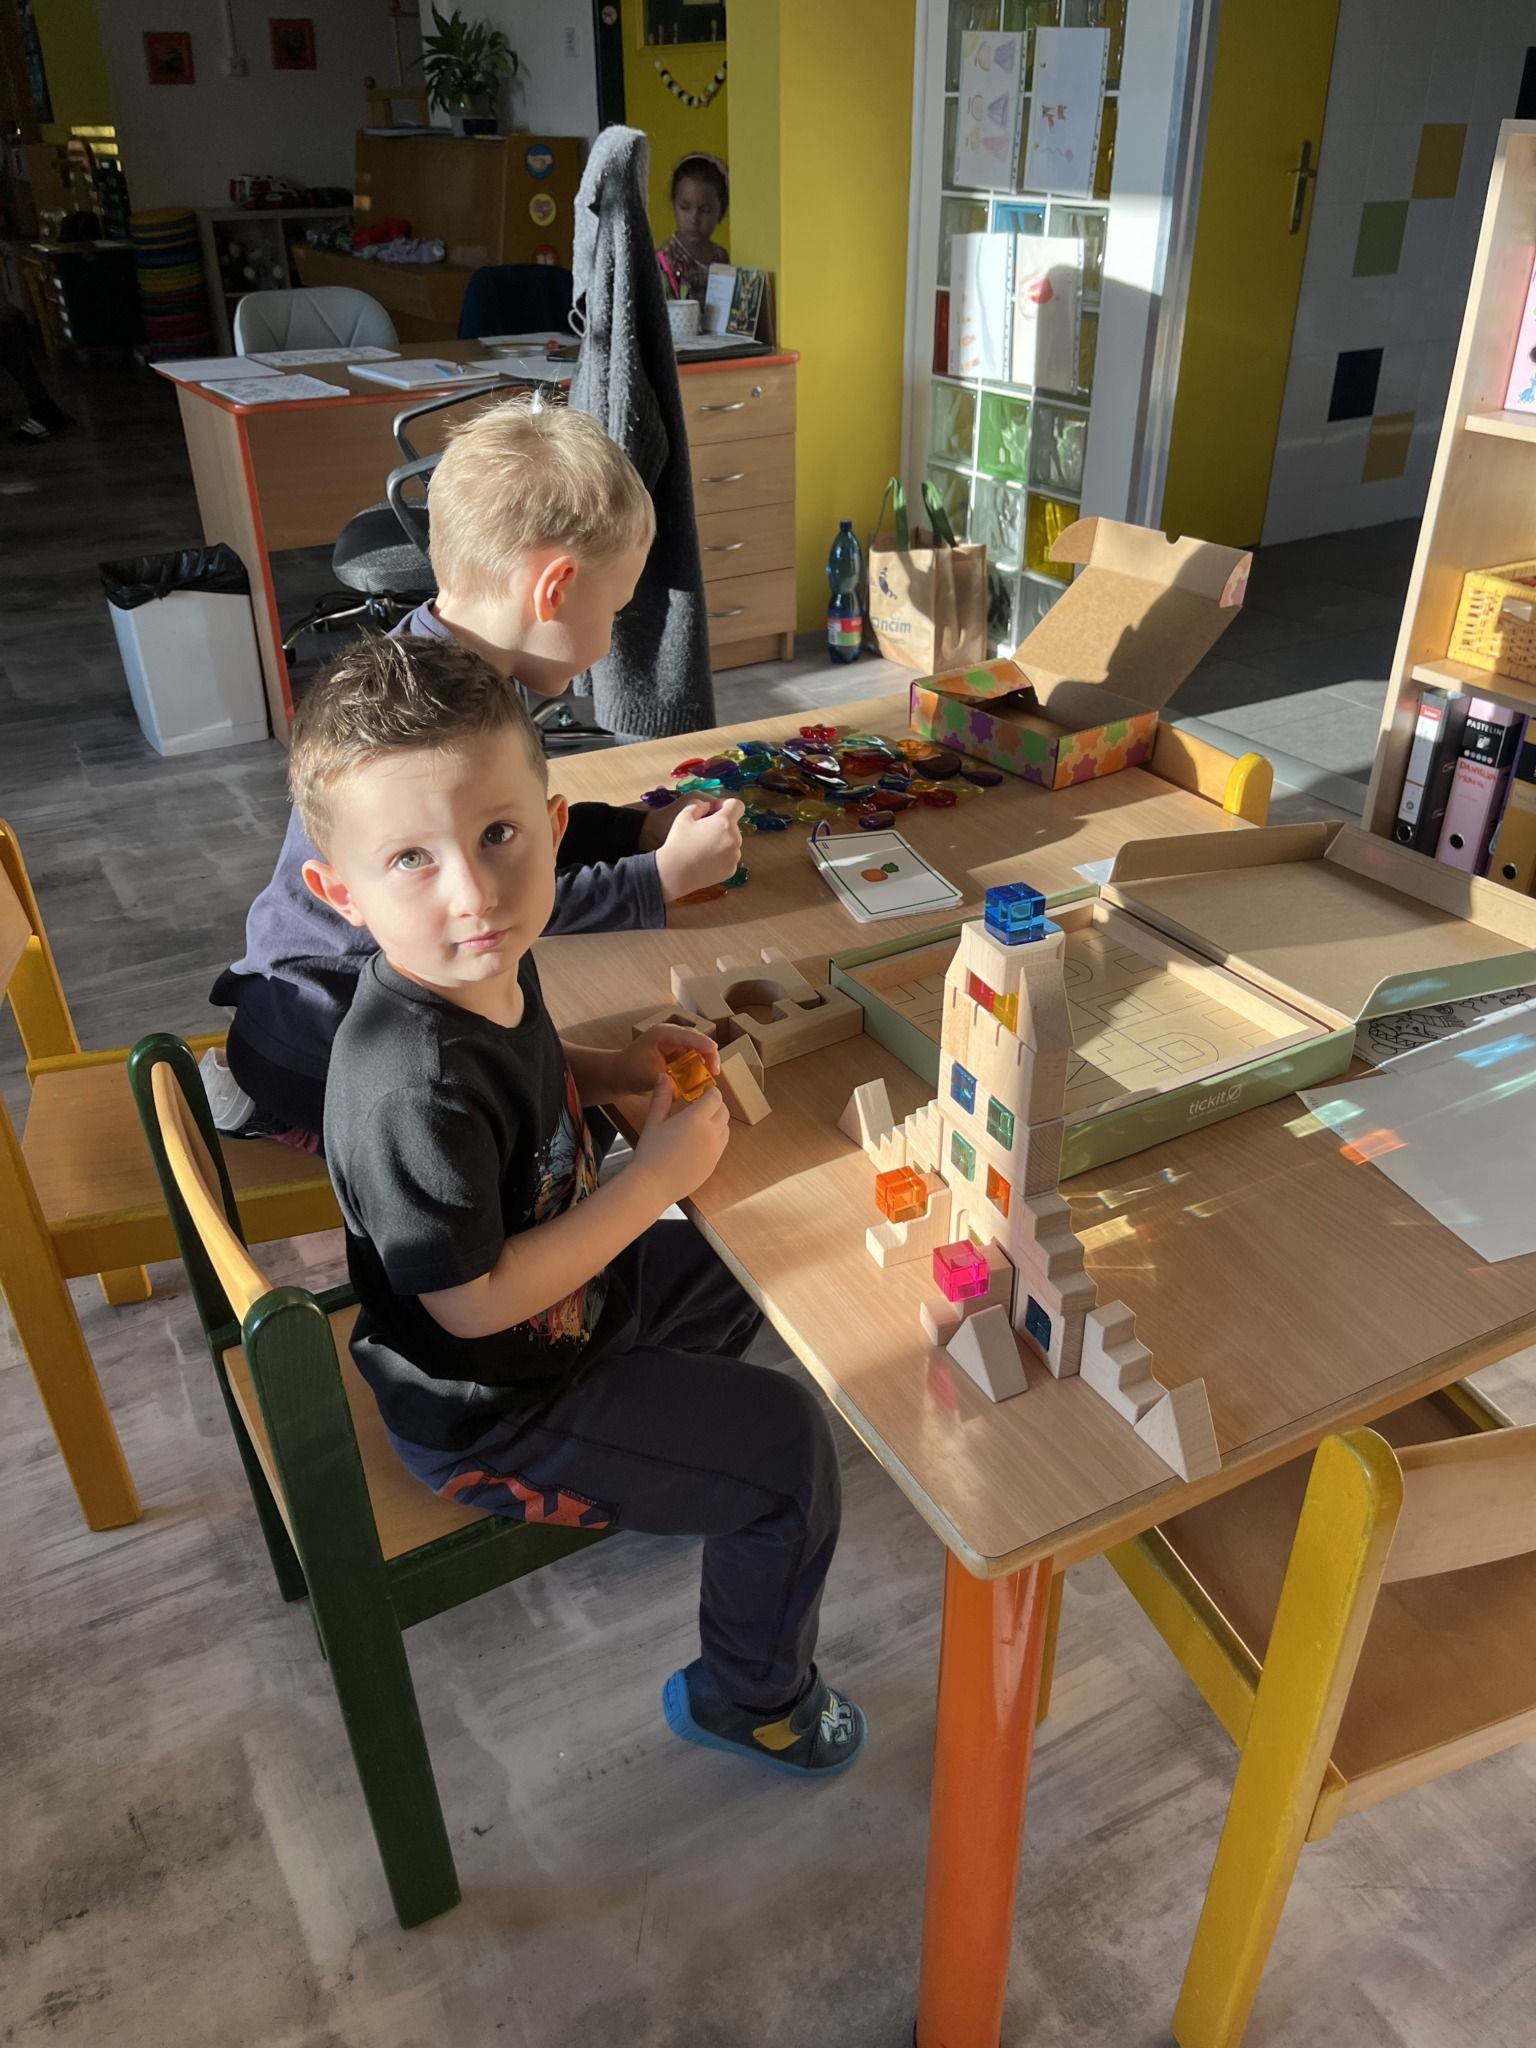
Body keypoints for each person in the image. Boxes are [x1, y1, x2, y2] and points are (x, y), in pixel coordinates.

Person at [293, 632, 867, 1776]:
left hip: (571, 1316)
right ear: (341, 894)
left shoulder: (483, 961)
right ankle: (754, 1697)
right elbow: (471, 1304)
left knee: (749, 1245)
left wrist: (612, 1068)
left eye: (498, 835)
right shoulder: (408, 1083)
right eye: (411, 858)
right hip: (492, 1409)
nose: (473, 891)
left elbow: (533, 1068)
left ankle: (660, 1472)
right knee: (789, 1453)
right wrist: (652, 1180)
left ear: (553, 828)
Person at [208, 398, 743, 1147]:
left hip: (300, 1008)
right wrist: (656, 879)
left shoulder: (451, 670)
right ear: (555, 589)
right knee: (544, 1136)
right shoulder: (437, 725)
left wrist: (636, 830)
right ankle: (295, 1118)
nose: (610, 636)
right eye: (615, 610)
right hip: (319, 1041)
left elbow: (507, 830)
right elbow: (494, 901)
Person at [655, 152, 730, 305]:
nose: (694, 219)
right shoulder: (666, 259)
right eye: (685, 207)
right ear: (674, 207)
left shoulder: (720, 257)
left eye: (705, 210)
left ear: (721, 213)